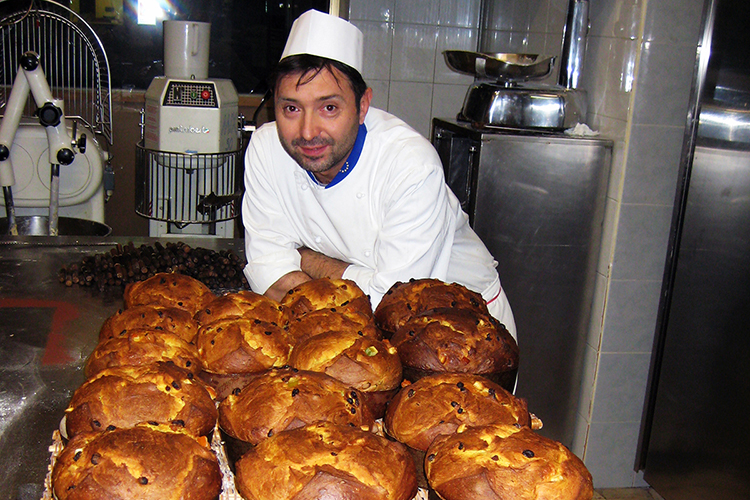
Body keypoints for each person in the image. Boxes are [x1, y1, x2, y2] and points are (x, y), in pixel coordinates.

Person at [241, 9, 517, 339]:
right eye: (291, 108)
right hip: (340, 334)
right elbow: (268, 267)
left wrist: (307, 260)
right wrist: (357, 282)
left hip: (467, 329)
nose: (308, 131)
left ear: (362, 106)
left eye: (329, 108)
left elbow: (392, 305)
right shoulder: (266, 149)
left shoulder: (410, 166)